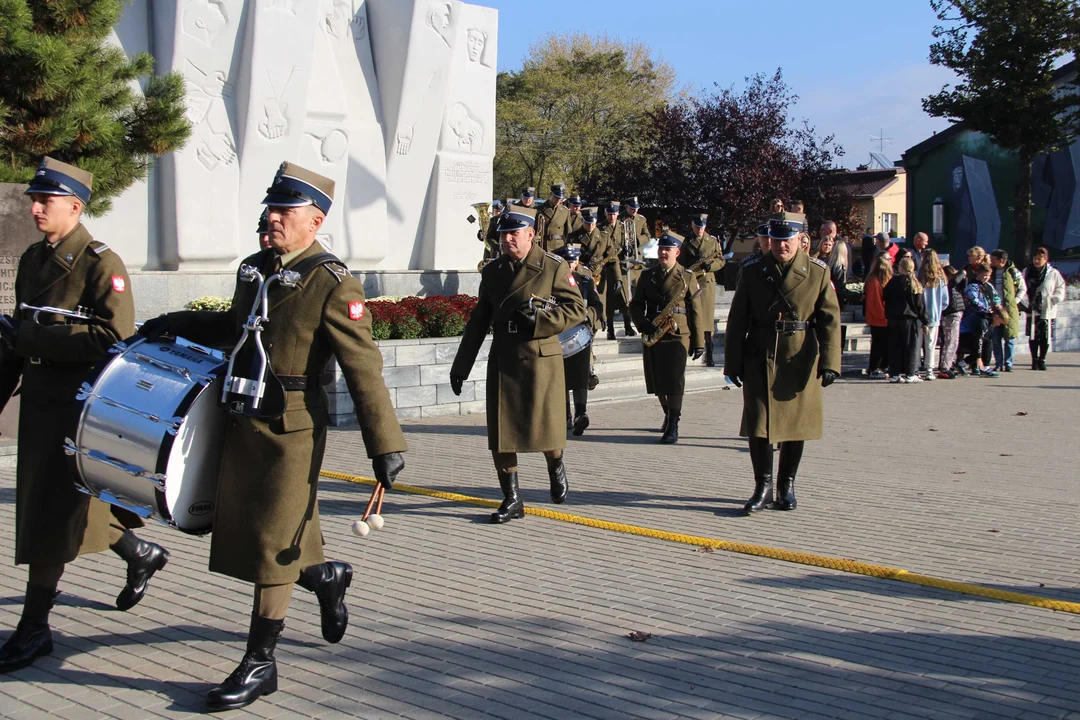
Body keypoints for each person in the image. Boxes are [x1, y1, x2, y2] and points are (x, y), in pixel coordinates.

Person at [139, 162, 407, 711]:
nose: (272, 218)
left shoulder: (333, 282)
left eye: (285, 210)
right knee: (259, 534)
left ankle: (260, 662)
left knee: (270, 546)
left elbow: (363, 367)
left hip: (293, 429)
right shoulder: (254, 268)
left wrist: (386, 445)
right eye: (271, 208)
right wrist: (173, 322)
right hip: (242, 420)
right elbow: (236, 329)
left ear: (316, 220)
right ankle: (326, 577)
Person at [0, 158, 170, 674]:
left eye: (45, 201)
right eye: (34, 199)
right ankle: (138, 552)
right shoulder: (33, 259)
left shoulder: (101, 263)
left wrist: (33, 339)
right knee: (61, 504)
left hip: (78, 409)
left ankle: (35, 628)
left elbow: (114, 340)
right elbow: (17, 338)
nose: (35, 208)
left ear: (75, 206)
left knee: (48, 513)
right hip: (40, 405)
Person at [450, 205, 586, 523]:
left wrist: (540, 320)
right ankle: (512, 499)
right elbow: (478, 321)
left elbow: (575, 309)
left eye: (514, 233)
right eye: (503, 234)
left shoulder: (553, 266)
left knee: (546, 430)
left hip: (540, 358)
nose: (507, 239)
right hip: (505, 358)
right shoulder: (493, 272)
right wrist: (461, 365)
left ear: (530, 234)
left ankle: (556, 464)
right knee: (502, 434)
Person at [724, 212, 841, 513]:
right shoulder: (752, 270)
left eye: (786, 240)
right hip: (760, 354)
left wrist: (830, 362)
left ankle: (786, 486)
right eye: (775, 240)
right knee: (758, 425)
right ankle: (761, 486)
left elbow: (829, 320)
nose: (780, 246)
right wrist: (732, 364)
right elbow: (738, 321)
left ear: (800, 240)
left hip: (799, 356)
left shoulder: (817, 272)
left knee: (795, 425)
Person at [629, 231, 705, 444]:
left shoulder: (687, 276)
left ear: (677, 252)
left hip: (678, 334)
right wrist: (642, 323)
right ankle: (668, 413)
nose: (663, 253)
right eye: (661, 249)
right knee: (657, 382)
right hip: (654, 331)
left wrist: (699, 342)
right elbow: (635, 305)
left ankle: (673, 424)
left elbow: (696, 311)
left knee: (674, 381)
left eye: (668, 249)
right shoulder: (647, 275)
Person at [556, 244, 603, 435]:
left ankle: (580, 414)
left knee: (580, 377)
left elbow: (597, 305)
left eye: (573, 261)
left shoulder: (585, 282)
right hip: (558, 335)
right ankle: (565, 415)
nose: (570, 264)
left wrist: (588, 316)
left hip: (580, 334)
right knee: (561, 379)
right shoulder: (552, 282)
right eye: (567, 261)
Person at [678, 213, 725, 367]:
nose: (700, 229)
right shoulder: (687, 242)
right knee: (693, 316)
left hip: (707, 283)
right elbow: (682, 262)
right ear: (693, 226)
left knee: (707, 321)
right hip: (692, 282)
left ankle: (709, 354)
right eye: (697, 226)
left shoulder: (712, 241)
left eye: (702, 226)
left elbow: (721, 260)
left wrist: (710, 266)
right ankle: (693, 347)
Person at [1021, 246, 1067, 370]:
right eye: (1035, 258)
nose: (1037, 261)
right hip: (1032, 307)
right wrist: (1024, 301)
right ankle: (1034, 359)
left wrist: (1053, 299)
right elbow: (1021, 287)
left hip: (1047, 308)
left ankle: (1042, 359)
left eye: (1040, 259)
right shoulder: (1027, 271)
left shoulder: (1052, 273)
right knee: (1032, 335)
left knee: (1045, 335)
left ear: (1046, 259)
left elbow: (1061, 288)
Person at [884, 257, 928, 383]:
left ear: (900, 268)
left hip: (893, 318)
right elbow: (920, 305)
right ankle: (910, 373)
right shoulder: (914, 283)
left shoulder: (893, 281)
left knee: (894, 347)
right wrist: (925, 321)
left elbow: (884, 295)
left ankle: (894, 374)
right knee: (911, 347)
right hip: (909, 319)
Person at [599, 201, 636, 338]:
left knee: (625, 298)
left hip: (622, 266)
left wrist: (629, 248)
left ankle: (627, 326)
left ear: (618, 214)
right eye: (609, 214)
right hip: (607, 267)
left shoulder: (623, 227)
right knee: (609, 300)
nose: (612, 217)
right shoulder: (600, 228)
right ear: (605, 213)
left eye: (614, 214)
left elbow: (629, 242)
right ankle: (610, 329)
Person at [958, 261, 1001, 377]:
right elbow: (973, 299)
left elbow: (996, 297)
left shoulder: (989, 286)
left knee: (986, 343)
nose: (986, 278)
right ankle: (980, 366)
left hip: (987, 318)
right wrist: (986, 308)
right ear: (978, 273)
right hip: (974, 319)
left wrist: (997, 305)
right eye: (984, 275)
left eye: (988, 275)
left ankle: (976, 365)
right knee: (979, 343)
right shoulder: (972, 286)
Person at [988, 249, 1027, 372]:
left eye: (993, 259)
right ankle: (999, 363)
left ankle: (1008, 363)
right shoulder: (991, 272)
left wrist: (1014, 302)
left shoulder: (1013, 272)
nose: (991, 261)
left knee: (1010, 337)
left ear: (1001, 260)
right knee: (996, 337)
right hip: (995, 309)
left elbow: (1022, 288)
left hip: (1009, 310)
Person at [916, 249, 949, 381]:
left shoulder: (919, 275)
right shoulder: (940, 278)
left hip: (919, 314)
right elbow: (945, 300)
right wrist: (939, 309)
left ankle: (916, 368)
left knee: (917, 343)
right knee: (930, 343)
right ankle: (929, 370)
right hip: (934, 314)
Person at [864, 254, 892, 379]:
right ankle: (874, 368)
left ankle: (880, 367)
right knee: (878, 345)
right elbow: (876, 302)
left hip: (881, 318)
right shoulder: (875, 281)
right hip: (879, 318)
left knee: (882, 344)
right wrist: (884, 317)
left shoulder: (879, 280)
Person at [938, 264, 965, 378]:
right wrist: (962, 273)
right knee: (951, 341)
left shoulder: (954, 287)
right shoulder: (947, 285)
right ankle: (945, 367)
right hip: (950, 314)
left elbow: (963, 284)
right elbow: (953, 282)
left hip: (955, 313)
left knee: (952, 341)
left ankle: (947, 365)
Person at [536, 183, 571, 253]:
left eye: (560, 198)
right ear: (550, 194)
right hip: (543, 246)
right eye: (556, 197)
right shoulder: (539, 209)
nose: (558, 200)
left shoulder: (565, 212)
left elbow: (568, 232)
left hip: (558, 247)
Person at [737, 223, 770, 290]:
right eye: (765, 237)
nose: (769, 241)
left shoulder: (785, 261)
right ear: (758, 239)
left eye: (772, 237)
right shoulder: (747, 263)